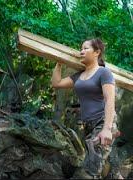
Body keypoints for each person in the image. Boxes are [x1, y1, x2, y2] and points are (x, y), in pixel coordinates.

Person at [51, 38, 119, 178]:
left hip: (103, 122)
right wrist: (59, 63)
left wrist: (107, 128)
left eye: (86, 48)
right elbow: (57, 83)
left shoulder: (103, 73)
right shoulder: (78, 76)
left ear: (97, 52)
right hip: (88, 125)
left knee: (88, 170)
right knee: (100, 167)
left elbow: (110, 100)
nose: (81, 51)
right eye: (81, 48)